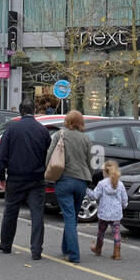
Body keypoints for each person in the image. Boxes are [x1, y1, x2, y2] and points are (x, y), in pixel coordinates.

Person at [0, 101, 52, 259]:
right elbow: (47, 153)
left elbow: (2, 155)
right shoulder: (43, 130)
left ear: (20, 112)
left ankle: (6, 244)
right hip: (37, 178)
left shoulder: (12, 129)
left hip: (16, 177)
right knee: (37, 214)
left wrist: (0, 176)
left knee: (10, 212)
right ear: (34, 110)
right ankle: (36, 250)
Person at [46, 110, 94, 263]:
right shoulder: (86, 138)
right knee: (72, 215)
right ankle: (65, 248)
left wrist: (47, 171)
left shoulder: (60, 135)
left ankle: (74, 254)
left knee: (69, 217)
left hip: (65, 179)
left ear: (67, 121)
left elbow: (49, 155)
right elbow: (89, 162)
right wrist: (88, 177)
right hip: (81, 181)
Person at [87, 160, 128, 260]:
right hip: (116, 214)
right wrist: (124, 206)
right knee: (116, 232)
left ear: (105, 172)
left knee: (101, 232)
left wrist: (87, 190)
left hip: (104, 213)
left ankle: (98, 249)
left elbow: (94, 196)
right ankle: (117, 252)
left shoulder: (101, 184)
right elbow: (124, 199)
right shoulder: (120, 184)